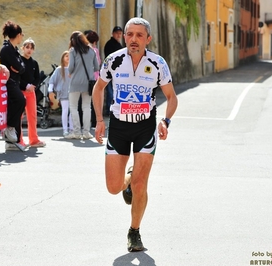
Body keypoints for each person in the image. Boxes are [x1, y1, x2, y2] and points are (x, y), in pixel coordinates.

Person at [92, 17, 178, 252]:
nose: (133, 39)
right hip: (119, 127)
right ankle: (127, 178)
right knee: (114, 187)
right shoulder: (113, 60)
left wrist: (165, 121)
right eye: (130, 34)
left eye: (139, 35)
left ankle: (134, 232)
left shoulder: (158, 63)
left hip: (145, 128)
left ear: (148, 39)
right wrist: (100, 120)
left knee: (141, 185)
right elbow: (98, 88)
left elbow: (171, 97)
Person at [0, 20, 26, 151]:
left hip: (15, 81)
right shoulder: (6, 49)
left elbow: (21, 67)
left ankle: (13, 140)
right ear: (18, 35)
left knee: (19, 104)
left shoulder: (14, 49)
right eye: (22, 34)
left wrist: (19, 67)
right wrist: (19, 67)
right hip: (9, 82)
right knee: (20, 101)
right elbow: (19, 66)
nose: (22, 36)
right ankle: (9, 127)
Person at [67, 30, 99, 139]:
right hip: (88, 82)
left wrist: (72, 72)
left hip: (75, 82)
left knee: (73, 107)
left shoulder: (72, 51)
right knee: (87, 107)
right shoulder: (92, 51)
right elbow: (97, 67)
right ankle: (86, 132)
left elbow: (70, 67)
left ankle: (76, 132)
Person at [19, 37, 46, 148]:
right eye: (27, 47)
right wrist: (26, 85)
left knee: (32, 116)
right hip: (20, 91)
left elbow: (37, 77)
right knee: (19, 117)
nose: (29, 50)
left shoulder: (34, 63)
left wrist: (33, 86)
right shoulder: (19, 61)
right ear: (23, 48)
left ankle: (34, 140)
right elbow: (18, 77)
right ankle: (19, 140)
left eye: (31, 48)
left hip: (31, 92)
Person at [47, 51, 73, 138]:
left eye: (70, 56)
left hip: (73, 92)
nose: (68, 58)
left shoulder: (73, 69)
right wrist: (50, 90)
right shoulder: (59, 69)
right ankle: (65, 129)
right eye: (66, 56)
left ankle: (72, 129)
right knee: (65, 110)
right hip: (63, 93)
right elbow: (52, 80)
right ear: (63, 58)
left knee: (72, 112)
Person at [103, 26, 123, 115]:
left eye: (120, 33)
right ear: (113, 34)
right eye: (117, 33)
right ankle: (108, 109)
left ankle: (113, 109)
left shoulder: (119, 45)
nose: (118, 35)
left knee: (115, 92)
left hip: (119, 73)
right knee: (111, 93)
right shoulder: (110, 44)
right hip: (111, 72)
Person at [85, 30, 101, 128]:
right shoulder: (95, 50)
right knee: (95, 101)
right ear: (95, 41)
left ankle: (85, 123)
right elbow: (98, 63)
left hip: (85, 78)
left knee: (85, 102)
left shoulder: (84, 50)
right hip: (94, 78)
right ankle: (95, 122)